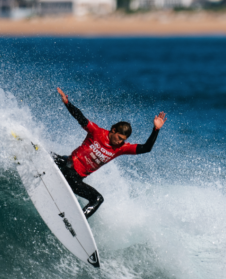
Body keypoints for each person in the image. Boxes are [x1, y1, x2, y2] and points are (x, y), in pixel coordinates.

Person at [54, 87, 166, 219]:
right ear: (113, 130)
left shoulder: (121, 148)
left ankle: (76, 221)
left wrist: (156, 129)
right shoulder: (96, 132)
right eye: (119, 137)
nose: (120, 142)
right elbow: (80, 117)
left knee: (97, 199)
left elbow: (146, 148)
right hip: (68, 166)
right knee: (61, 158)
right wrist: (67, 103)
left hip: (75, 180)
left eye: (123, 140)